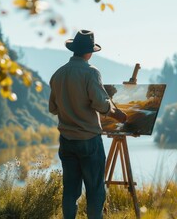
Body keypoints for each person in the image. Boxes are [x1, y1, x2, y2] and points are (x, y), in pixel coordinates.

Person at [49, 30, 127, 219]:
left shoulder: (58, 74)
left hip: (66, 141)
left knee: (70, 191)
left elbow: (53, 108)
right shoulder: (91, 72)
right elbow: (101, 104)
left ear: (73, 50)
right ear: (89, 52)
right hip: (88, 140)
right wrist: (118, 115)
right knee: (95, 191)